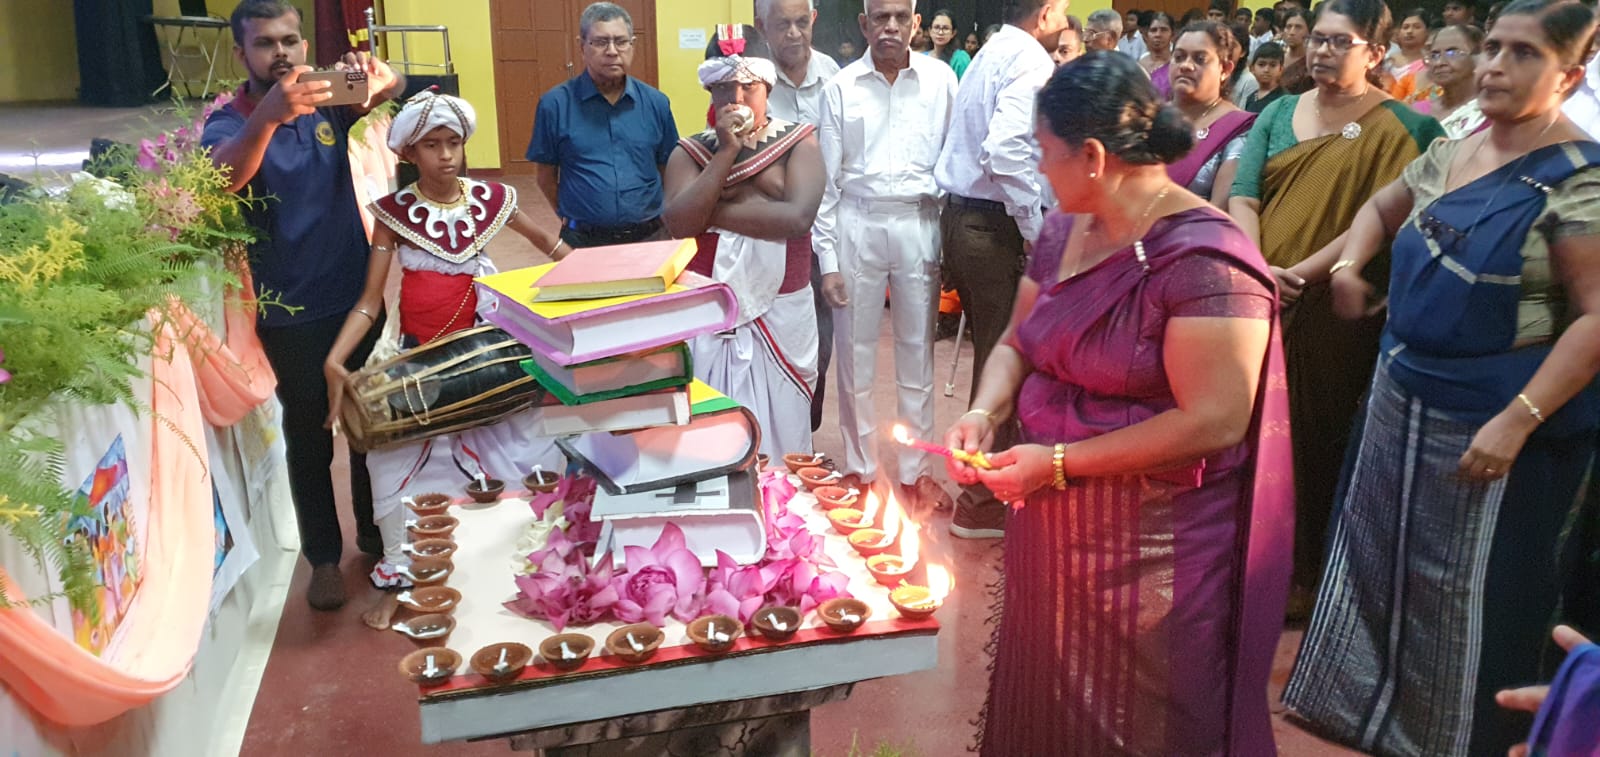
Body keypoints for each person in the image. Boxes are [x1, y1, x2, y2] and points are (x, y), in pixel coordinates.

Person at [950, 51, 1292, 755]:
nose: (1040, 169)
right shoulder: (1061, 229)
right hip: (1051, 529)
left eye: (1046, 153)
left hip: (1154, 553)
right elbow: (1018, 339)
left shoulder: (1203, 258)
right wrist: (985, 410)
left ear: (1095, 155)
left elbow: (1215, 417)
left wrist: (1061, 462)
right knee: (1045, 702)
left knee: (1144, 722)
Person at [1282, 2, 1600, 753]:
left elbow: (1593, 320)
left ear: (1570, 76)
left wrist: (1519, 416)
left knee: (1477, 597)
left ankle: (1463, 739)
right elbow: (1383, 206)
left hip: (1493, 422)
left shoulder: (1579, 181)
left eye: (1523, 54)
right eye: (1492, 46)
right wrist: (1353, 263)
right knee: (1380, 568)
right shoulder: (1459, 141)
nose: (1494, 64)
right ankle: (1373, 719)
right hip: (1401, 398)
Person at [1230, 0, 1445, 618]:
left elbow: (1374, 219)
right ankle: (1240, 565)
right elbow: (1244, 194)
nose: (1321, 51)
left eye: (1339, 42)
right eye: (1317, 40)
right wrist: (1257, 264)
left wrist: (1299, 273)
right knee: (1241, 435)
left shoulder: (1408, 129)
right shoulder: (1275, 111)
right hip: (1256, 295)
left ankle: (1301, 578)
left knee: (1310, 440)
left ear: (1375, 54)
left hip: (1328, 312)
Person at [320, 92, 566, 628]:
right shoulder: (395, 215)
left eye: (453, 143)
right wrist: (334, 360)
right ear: (410, 153)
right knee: (391, 468)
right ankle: (409, 576)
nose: (446, 155)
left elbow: (548, 242)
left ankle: (507, 558)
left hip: (485, 360)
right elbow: (370, 302)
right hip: (418, 366)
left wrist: (606, 281)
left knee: (532, 439)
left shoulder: (490, 199)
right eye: (431, 145)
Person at [202, 0, 405, 611]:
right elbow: (220, 178)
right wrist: (264, 120)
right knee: (312, 434)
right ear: (242, 54)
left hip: (355, 298)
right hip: (286, 309)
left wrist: (378, 73)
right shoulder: (229, 119)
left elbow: (394, 86)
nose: (282, 53)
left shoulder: (325, 103)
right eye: (266, 43)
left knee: (370, 423)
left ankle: (374, 534)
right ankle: (323, 556)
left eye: (290, 39)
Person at [933, 0, 1073, 539]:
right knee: (1003, 353)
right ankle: (981, 499)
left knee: (994, 350)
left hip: (966, 218)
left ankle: (981, 490)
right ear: (1045, 13)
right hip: (990, 224)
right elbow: (1005, 150)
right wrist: (1036, 225)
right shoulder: (1031, 61)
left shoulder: (994, 48)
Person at [815, 0, 957, 512]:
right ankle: (859, 467)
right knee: (854, 353)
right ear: (864, 24)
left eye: (901, 17)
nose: (891, 26)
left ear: (916, 23)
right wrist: (828, 260)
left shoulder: (941, 81)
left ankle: (915, 471)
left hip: (920, 220)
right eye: (880, 17)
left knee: (918, 349)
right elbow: (825, 184)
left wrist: (948, 238)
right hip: (857, 220)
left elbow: (953, 161)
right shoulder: (841, 88)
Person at [662, 27, 824, 460]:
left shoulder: (798, 142)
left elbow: (797, 218)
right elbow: (679, 224)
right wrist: (725, 155)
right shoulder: (690, 152)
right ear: (708, 89)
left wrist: (711, 211)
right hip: (709, 314)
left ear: (767, 86)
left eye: (748, 86)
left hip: (782, 316)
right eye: (723, 87)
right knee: (710, 432)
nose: (736, 97)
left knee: (785, 427)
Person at [754, 0, 841, 438]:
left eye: (801, 23)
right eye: (781, 24)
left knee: (818, 350)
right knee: (767, 349)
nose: (793, 33)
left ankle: (802, 443)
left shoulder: (837, 80)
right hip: (769, 239)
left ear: (814, 22)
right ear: (761, 26)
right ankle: (765, 445)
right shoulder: (752, 84)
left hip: (825, 240)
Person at [529, 3, 678, 250]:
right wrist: (574, 215)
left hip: (650, 238)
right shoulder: (554, 105)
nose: (612, 51)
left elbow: (668, 169)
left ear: (633, 45)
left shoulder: (656, 103)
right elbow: (545, 177)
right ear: (582, 47)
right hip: (584, 241)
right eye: (600, 42)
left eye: (621, 41)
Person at [1170, 22, 1255, 205]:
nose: (1185, 65)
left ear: (1225, 70)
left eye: (1199, 59)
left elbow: (1220, 209)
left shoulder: (1236, 128)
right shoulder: (1149, 116)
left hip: (1196, 230)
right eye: (1178, 57)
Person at [1413, 24, 1486, 137]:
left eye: (1452, 53)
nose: (1439, 63)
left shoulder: (1487, 112)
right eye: (1434, 55)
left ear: (1478, 58)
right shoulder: (1417, 111)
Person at [1386, 8, 1430, 96]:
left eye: (1417, 27)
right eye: (1405, 27)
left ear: (1427, 32)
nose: (1409, 31)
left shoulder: (1430, 63)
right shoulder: (1387, 59)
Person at [1138, 12, 1177, 97]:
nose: (1158, 34)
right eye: (1153, 30)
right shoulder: (1140, 65)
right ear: (1146, 35)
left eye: (1164, 30)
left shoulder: (1176, 65)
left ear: (1172, 34)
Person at [1245, 41, 1289, 112]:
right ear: (1252, 68)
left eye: (1273, 65)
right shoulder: (1251, 98)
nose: (1266, 70)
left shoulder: (1284, 100)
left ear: (1281, 69)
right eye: (1261, 64)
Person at [928, 9, 972, 79]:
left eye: (945, 28)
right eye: (936, 27)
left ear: (953, 33)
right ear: (930, 31)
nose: (940, 32)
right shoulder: (922, 58)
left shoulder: (961, 58)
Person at [1279, 8, 1315, 93]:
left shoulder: (1311, 63)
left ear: (1309, 32)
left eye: (1298, 27)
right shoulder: (1277, 57)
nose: (1292, 32)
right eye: (1288, 27)